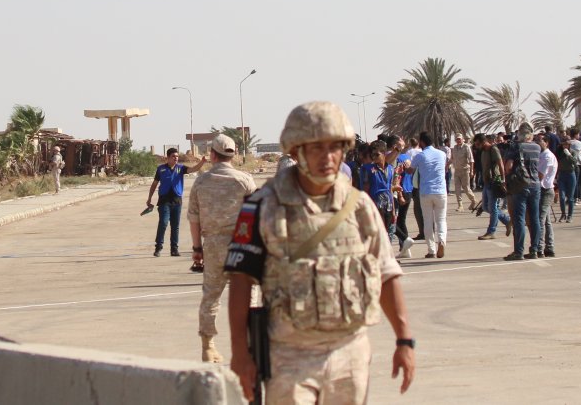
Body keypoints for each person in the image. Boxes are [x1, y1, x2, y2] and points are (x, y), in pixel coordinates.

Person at [224, 101, 414, 402]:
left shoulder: (359, 207)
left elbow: (386, 273)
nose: (328, 157)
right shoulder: (264, 207)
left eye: (335, 147)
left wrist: (404, 340)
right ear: (296, 151)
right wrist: (239, 354)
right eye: (316, 148)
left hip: (350, 353)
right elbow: (240, 280)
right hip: (290, 358)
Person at [187, 134, 256, 363]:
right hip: (241, 245)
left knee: (211, 296)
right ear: (233, 155)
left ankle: (208, 347)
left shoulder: (201, 182)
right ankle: (247, 346)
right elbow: (255, 216)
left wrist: (197, 249)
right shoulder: (244, 181)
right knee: (249, 297)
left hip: (213, 244)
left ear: (212, 155)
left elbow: (194, 218)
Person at [146, 148, 207, 257]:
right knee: (163, 223)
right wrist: (149, 198)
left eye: (177, 156)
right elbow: (154, 184)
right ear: (168, 157)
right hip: (164, 201)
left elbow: (193, 169)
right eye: (173, 156)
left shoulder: (181, 168)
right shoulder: (161, 169)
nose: (176, 158)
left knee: (175, 226)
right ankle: (158, 247)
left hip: (177, 201)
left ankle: (174, 249)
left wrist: (202, 162)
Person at [504, 132, 542, 260]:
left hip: (520, 185)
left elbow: (508, 167)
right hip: (535, 184)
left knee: (519, 218)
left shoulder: (516, 147)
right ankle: (535, 250)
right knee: (535, 218)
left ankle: (519, 251)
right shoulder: (537, 147)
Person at [411, 132, 449, 258]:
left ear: (422, 142)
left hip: (426, 191)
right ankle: (442, 241)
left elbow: (410, 170)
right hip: (440, 191)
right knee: (441, 220)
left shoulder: (420, 156)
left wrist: (406, 166)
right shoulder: (442, 154)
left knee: (427, 221)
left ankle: (431, 250)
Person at [476, 134, 511, 240]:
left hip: (494, 182)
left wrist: (503, 180)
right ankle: (507, 220)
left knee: (493, 208)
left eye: (478, 144)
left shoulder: (493, 149)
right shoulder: (483, 152)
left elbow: (500, 164)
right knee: (485, 207)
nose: (477, 146)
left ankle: (491, 232)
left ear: (483, 142)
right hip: (486, 183)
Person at [537, 135, 558, 257]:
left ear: (546, 142)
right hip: (542, 190)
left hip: (545, 190)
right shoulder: (541, 155)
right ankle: (549, 247)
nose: (537, 143)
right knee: (546, 221)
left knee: (540, 220)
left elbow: (540, 175)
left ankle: (539, 248)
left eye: (540, 141)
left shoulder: (547, 156)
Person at [451, 134, 477, 211]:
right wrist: (446, 166)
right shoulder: (454, 148)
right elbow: (452, 158)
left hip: (465, 170)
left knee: (466, 188)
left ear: (463, 139)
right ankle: (460, 205)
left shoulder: (466, 147)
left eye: (459, 139)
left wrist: (471, 171)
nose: (458, 140)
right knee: (457, 189)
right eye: (457, 139)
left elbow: (471, 160)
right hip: (457, 171)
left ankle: (473, 200)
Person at [556, 138, 578, 223]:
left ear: (569, 145)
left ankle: (570, 215)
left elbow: (575, 162)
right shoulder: (559, 152)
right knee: (562, 197)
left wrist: (569, 155)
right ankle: (563, 214)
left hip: (570, 174)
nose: (565, 146)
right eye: (564, 144)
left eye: (567, 144)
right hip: (562, 174)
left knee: (570, 197)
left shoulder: (573, 152)